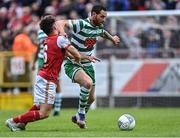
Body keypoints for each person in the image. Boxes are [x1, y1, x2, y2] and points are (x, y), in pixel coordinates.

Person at [5, 15, 87, 132]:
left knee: (38, 106)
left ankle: (21, 123)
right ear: (54, 26)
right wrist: (78, 63)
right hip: (48, 79)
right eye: (57, 24)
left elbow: (66, 54)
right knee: (44, 113)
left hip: (42, 76)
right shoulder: (60, 39)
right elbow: (76, 54)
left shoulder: (47, 40)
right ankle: (14, 121)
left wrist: (82, 57)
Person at [56, 5, 120, 128]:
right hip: (73, 62)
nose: (104, 19)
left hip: (88, 64)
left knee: (91, 98)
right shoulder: (81, 24)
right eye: (102, 16)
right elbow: (60, 22)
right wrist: (63, 31)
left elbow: (102, 32)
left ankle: (76, 117)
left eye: (105, 17)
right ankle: (81, 116)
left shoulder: (99, 26)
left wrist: (112, 38)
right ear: (94, 14)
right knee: (87, 83)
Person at [32, 28, 63, 116]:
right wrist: (34, 62)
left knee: (55, 83)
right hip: (42, 59)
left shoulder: (57, 31)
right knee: (41, 82)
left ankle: (56, 108)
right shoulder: (40, 31)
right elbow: (38, 47)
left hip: (52, 59)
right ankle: (38, 104)